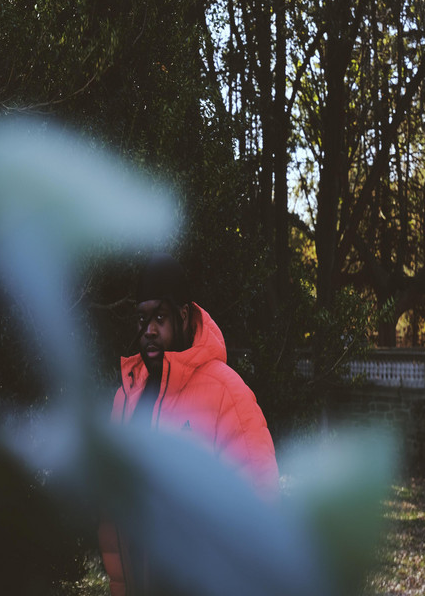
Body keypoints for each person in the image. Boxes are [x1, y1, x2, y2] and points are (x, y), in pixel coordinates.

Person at [99, 253, 279, 596]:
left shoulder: (227, 393)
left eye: (160, 317)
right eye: (142, 319)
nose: (149, 330)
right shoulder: (125, 398)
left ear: (183, 316)